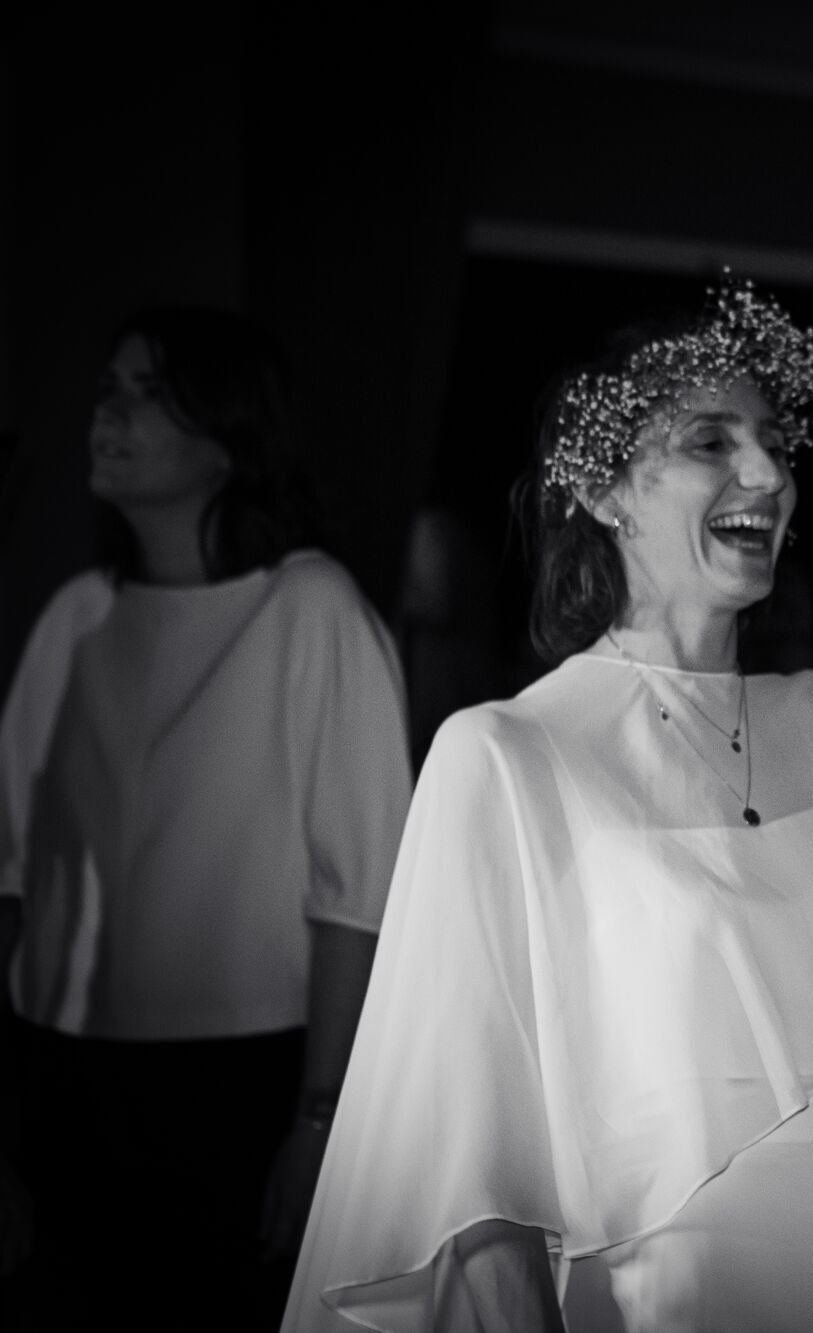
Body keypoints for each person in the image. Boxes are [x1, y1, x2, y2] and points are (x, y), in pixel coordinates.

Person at [281, 277, 813, 1333]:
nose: (767, 475)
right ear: (605, 490)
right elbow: (469, 1144)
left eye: (773, 443)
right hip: (676, 1295)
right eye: (710, 442)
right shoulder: (506, 754)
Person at [0, 307, 411, 1328]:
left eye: (150, 393)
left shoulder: (312, 607)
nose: (111, 413)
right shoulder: (75, 615)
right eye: (108, 389)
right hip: (58, 1065)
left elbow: (357, 899)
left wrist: (320, 1124)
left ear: (228, 436)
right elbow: (12, 878)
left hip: (240, 1083)